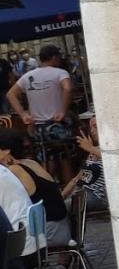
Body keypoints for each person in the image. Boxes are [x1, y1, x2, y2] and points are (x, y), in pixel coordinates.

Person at [0, 132, 72, 269]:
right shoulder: (30, 162)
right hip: (61, 224)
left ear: (7, 151)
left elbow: (21, 203)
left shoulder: (14, 170)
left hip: (48, 231)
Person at [7, 45, 75, 184]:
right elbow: (68, 87)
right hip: (57, 124)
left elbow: (11, 94)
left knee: (44, 159)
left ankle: (49, 188)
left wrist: (23, 114)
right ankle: (71, 190)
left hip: (38, 127)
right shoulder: (60, 73)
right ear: (55, 57)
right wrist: (62, 110)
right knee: (64, 158)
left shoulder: (28, 76)